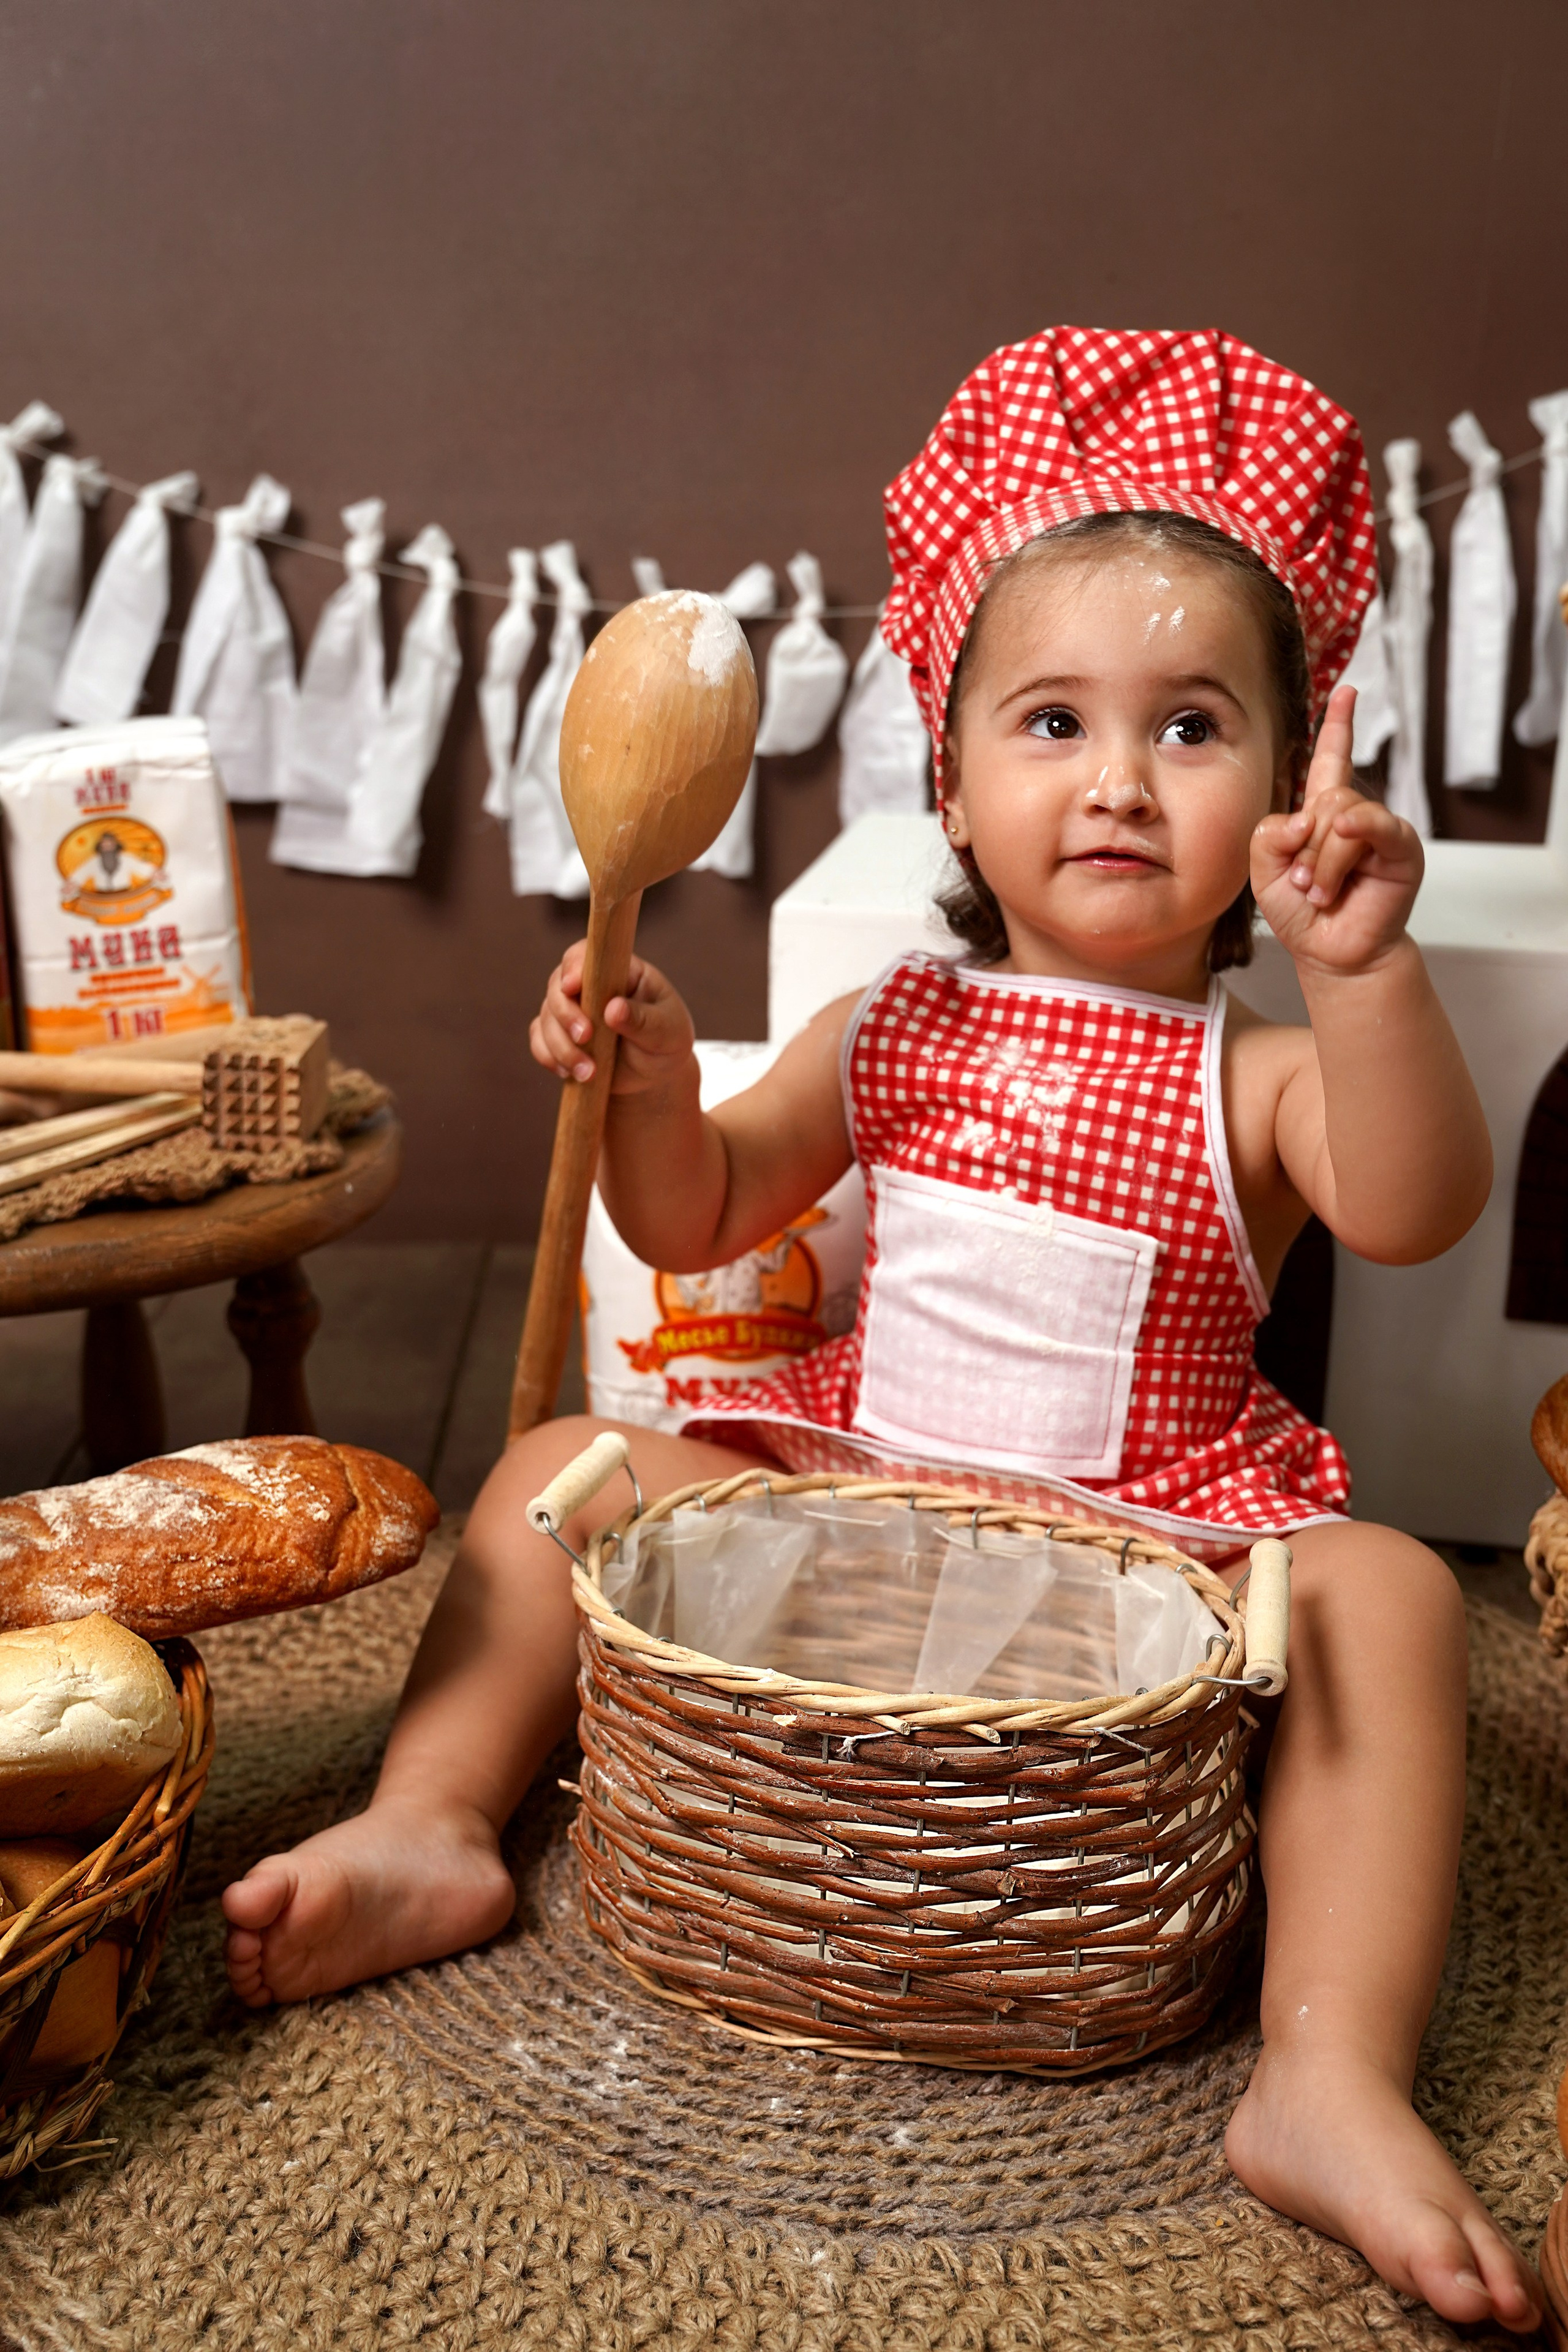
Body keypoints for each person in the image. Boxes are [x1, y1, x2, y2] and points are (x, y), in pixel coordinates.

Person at [223, 328, 1538, 2332]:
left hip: (1153, 1547)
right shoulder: (889, 1030)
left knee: (1390, 1599)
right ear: (948, 766)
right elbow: (688, 1221)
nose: (1116, 779)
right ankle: (434, 1820)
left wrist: (1366, 976)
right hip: (858, 1502)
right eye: (1052, 723)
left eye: (1194, 728)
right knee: (556, 1472)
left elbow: (1417, 1204)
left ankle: (1325, 2063)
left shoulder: (1253, 1070)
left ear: (1288, 777)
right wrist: (647, 1084)